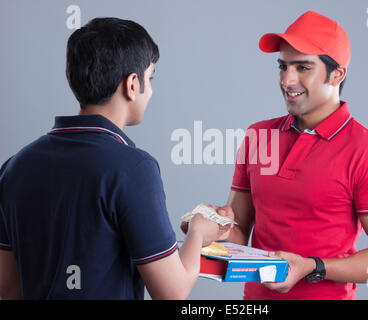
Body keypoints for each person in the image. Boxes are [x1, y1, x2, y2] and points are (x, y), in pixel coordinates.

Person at [0, 17, 231, 300]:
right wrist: (198, 232)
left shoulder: (14, 167)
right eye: (151, 77)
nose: (152, 90)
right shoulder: (133, 168)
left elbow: (9, 287)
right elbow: (172, 292)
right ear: (133, 84)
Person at [182, 10, 368, 300]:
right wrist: (210, 231)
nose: (287, 80)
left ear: (337, 74)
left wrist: (313, 267)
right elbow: (239, 234)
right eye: (282, 66)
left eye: (302, 68)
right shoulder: (259, 137)